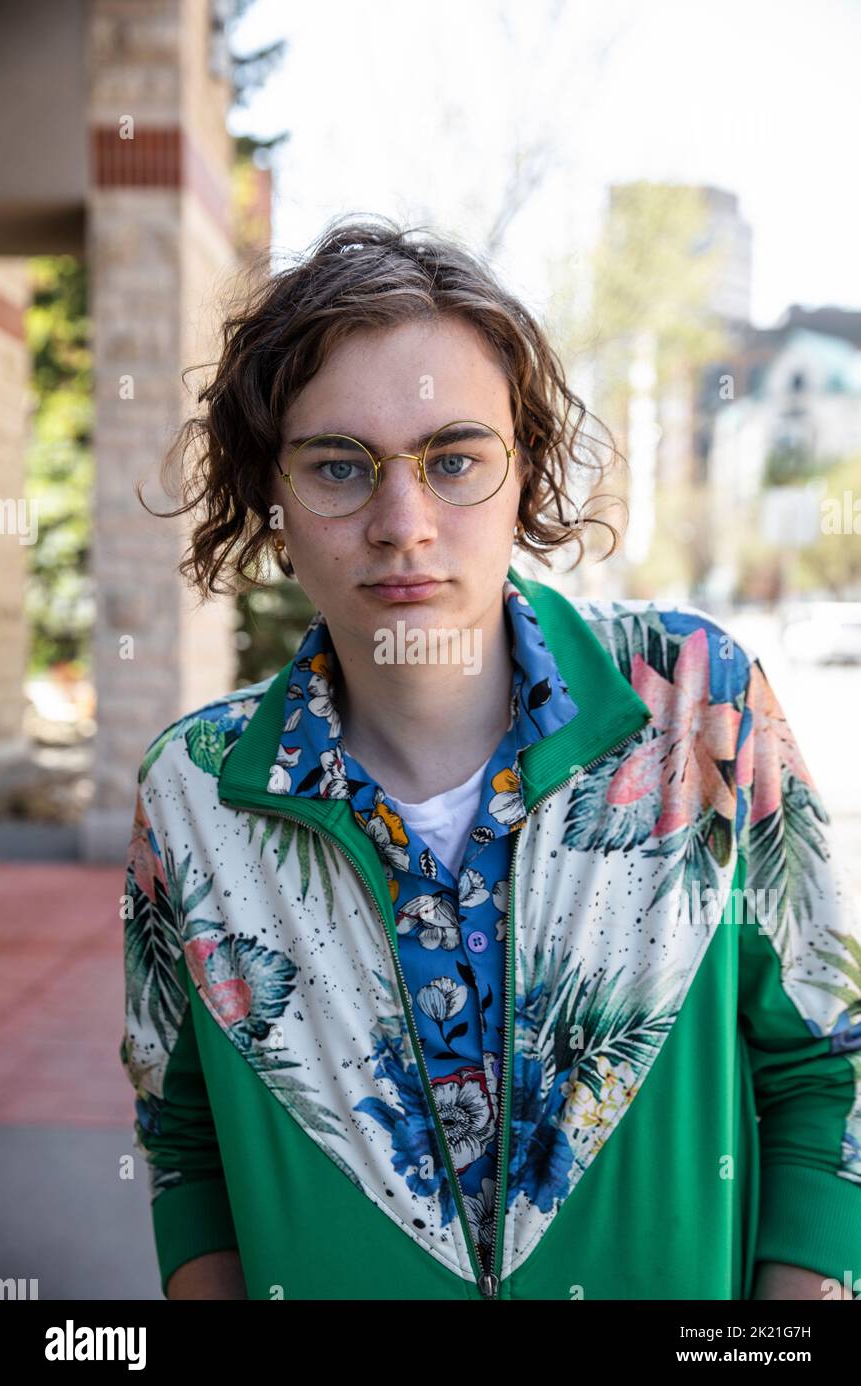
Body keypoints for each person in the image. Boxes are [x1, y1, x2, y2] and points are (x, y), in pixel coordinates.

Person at [121, 215, 861, 1301]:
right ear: (273, 504)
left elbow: (827, 1066)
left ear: (525, 474)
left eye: (454, 459)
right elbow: (183, 1140)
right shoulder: (194, 792)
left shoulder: (697, 702)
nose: (402, 520)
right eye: (338, 465)